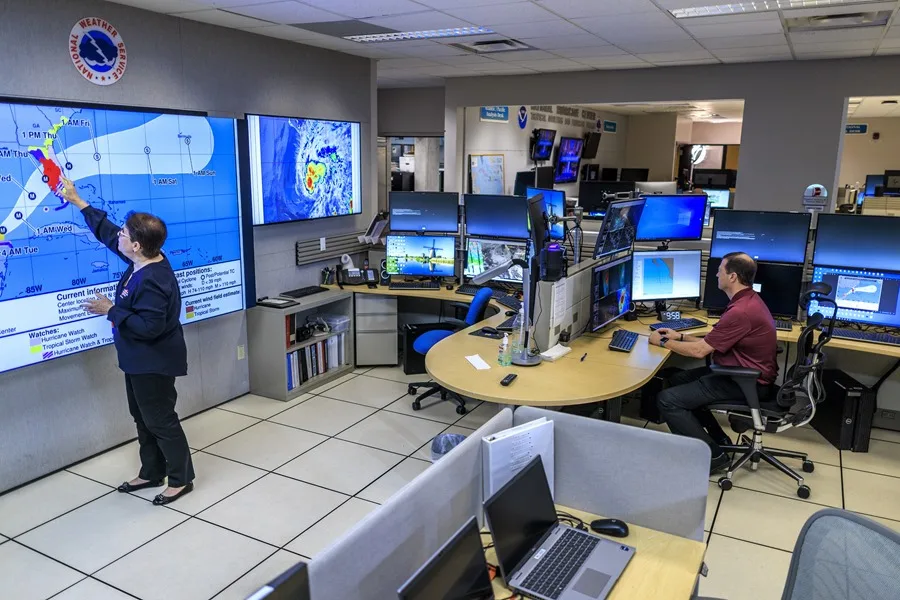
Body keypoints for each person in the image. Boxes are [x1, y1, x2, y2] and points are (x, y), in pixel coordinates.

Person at [61, 177, 194, 505]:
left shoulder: (152, 280)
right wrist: (79, 202)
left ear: (136, 245)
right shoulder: (145, 259)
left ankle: (181, 479)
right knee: (142, 416)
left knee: (160, 419)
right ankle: (151, 471)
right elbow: (108, 235)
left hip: (154, 361)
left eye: (124, 234)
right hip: (138, 360)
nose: (118, 235)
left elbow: (148, 328)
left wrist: (111, 310)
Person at [649, 252, 778, 475]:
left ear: (733, 277)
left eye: (721, 269)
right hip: (740, 373)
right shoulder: (748, 301)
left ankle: (712, 456)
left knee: (667, 400)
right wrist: (678, 337)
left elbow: (700, 351)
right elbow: (713, 341)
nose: (716, 273)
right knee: (676, 378)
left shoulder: (741, 311)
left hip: (744, 381)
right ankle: (717, 438)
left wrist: (661, 341)